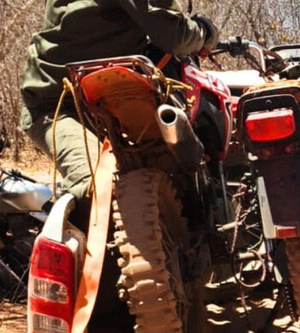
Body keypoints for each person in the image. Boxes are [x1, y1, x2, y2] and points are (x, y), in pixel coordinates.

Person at [20, 0, 219, 225]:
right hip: (58, 104)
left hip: (101, 98)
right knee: (98, 188)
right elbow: (176, 34)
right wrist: (207, 31)